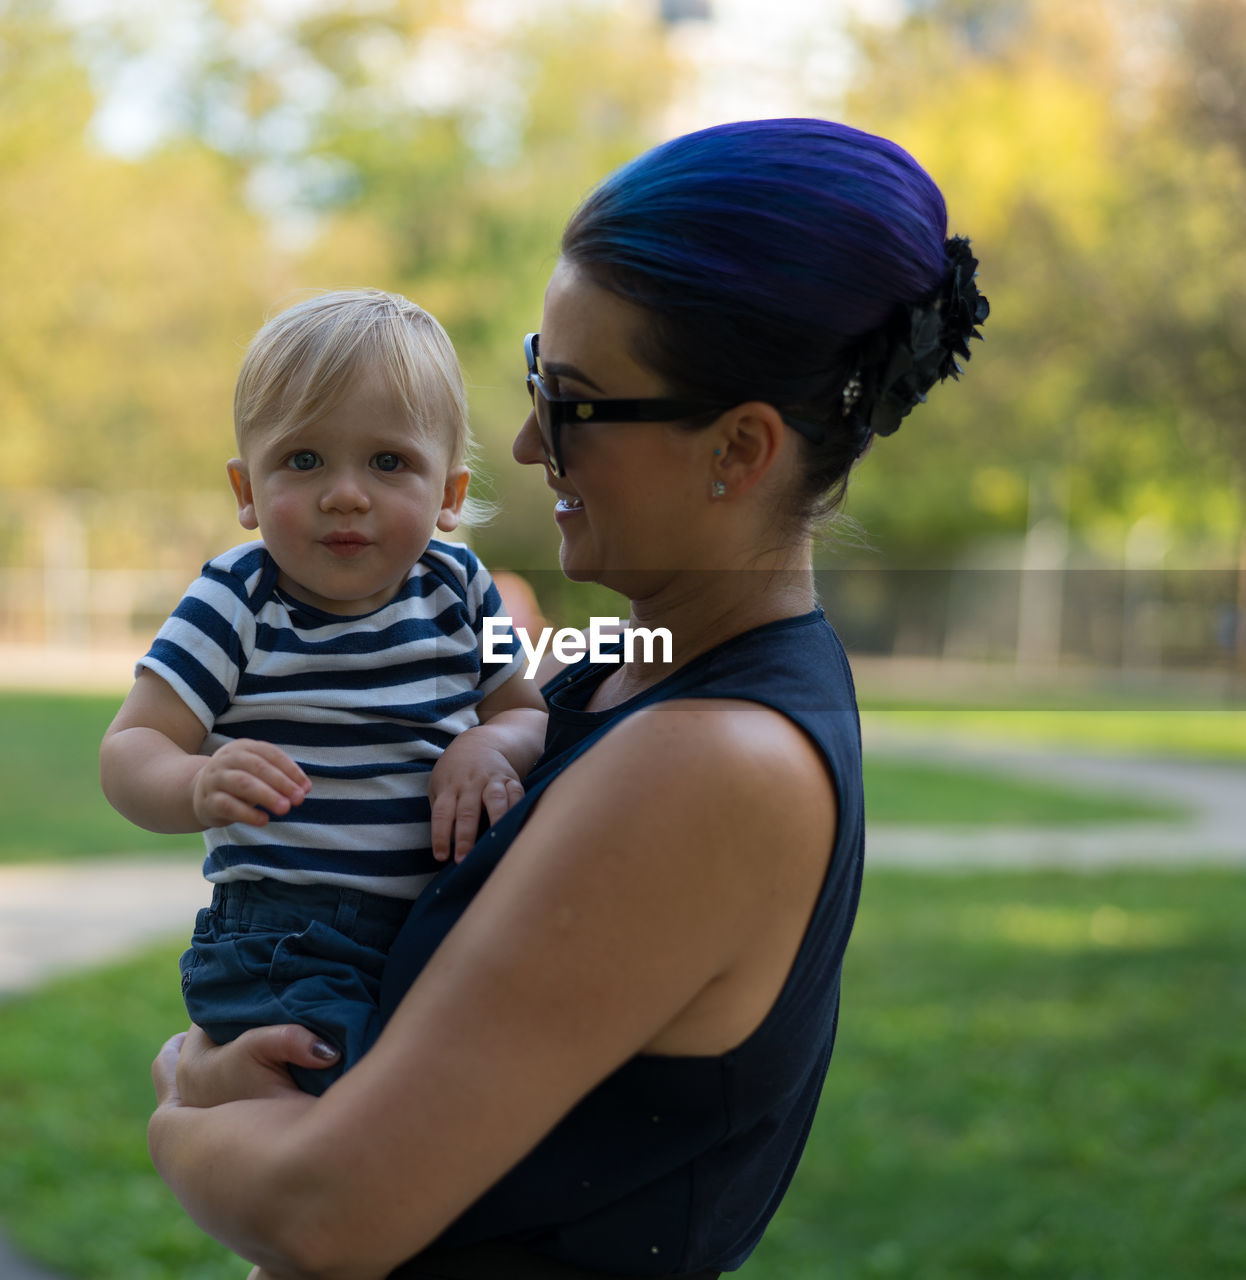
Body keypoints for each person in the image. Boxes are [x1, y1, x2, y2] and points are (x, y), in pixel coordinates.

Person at [147, 118, 988, 1278]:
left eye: (578, 402)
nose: (529, 440)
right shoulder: (624, 664)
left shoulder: (711, 761)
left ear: (738, 449)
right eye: (541, 374)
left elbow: (323, 1211)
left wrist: (180, 1096)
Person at [102, 289, 547, 1093]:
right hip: (282, 937)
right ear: (246, 488)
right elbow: (131, 747)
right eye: (304, 461)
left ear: (448, 495)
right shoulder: (239, 600)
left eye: (388, 462)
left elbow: (524, 711)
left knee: (468, 1092)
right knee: (355, 1100)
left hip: (437, 921)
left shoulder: (461, 591)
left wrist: (488, 743)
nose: (346, 493)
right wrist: (197, 781)